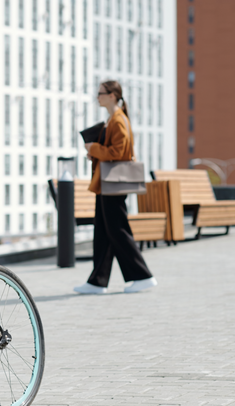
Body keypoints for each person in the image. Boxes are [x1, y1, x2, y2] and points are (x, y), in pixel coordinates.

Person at [73, 81, 157, 295]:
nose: (97, 96)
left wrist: (94, 148)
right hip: (107, 183)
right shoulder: (114, 119)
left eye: (100, 93)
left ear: (112, 96)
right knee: (103, 231)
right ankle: (97, 281)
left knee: (118, 231)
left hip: (113, 184)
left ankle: (143, 276)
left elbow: (119, 152)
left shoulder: (118, 120)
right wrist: (96, 152)